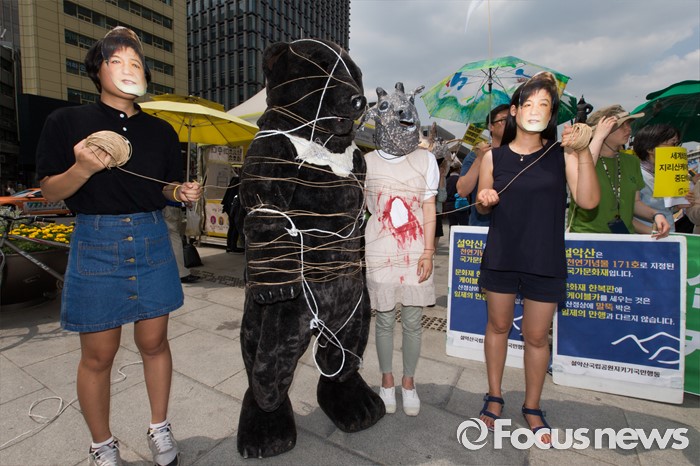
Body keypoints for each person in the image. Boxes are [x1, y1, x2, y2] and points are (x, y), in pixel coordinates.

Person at [35, 26, 202, 466]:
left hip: (151, 237)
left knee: (155, 342)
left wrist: (179, 192)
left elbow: (163, 187)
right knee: (98, 355)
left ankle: (159, 427)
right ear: (98, 70)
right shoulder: (65, 122)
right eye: (117, 61)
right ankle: (102, 444)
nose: (129, 69)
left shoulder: (162, 131)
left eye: (136, 62)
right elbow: (50, 191)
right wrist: (83, 167)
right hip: (96, 239)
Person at [475, 72, 600, 445]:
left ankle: (532, 405)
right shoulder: (493, 156)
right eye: (527, 103)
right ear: (514, 111)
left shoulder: (562, 154)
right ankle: (494, 395)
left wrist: (582, 151)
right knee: (497, 326)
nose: (534, 110)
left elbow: (588, 201)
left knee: (535, 336)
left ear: (551, 113)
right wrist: (484, 199)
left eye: (543, 104)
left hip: (545, 258)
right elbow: (481, 203)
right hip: (502, 254)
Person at [363, 83, 437, 417]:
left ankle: (409, 382)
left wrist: (429, 251)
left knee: (412, 320)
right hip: (380, 249)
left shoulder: (426, 160)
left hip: (416, 250)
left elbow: (429, 207)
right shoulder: (366, 162)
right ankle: (386, 380)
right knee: (383, 320)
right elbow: (365, 207)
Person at [567, 105, 671, 238]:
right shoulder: (578, 157)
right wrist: (598, 137)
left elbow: (635, 203)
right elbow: (585, 170)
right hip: (587, 239)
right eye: (622, 125)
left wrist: (656, 214)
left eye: (629, 125)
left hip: (623, 240)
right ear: (603, 129)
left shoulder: (631, 161)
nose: (629, 129)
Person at [632, 124, 693, 234]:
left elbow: (663, 209)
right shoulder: (636, 174)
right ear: (650, 148)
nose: (676, 149)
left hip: (667, 235)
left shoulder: (664, 174)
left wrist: (678, 205)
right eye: (672, 144)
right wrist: (654, 233)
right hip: (648, 239)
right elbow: (628, 213)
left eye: (677, 144)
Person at [456, 104, 509, 226]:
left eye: (513, 120)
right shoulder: (475, 156)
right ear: (491, 126)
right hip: (481, 227)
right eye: (504, 120)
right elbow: (462, 191)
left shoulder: (521, 155)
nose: (510, 124)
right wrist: (480, 159)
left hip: (511, 226)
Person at [163, 200, 198, 283]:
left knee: (173, 240)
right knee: (175, 241)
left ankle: (176, 271)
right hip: (171, 208)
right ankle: (181, 273)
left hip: (171, 208)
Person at [221, 170, 244, 253]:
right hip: (233, 206)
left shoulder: (234, 180)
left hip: (230, 206)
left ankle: (230, 246)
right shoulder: (239, 181)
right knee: (235, 226)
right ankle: (233, 247)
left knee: (232, 226)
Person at [445, 159, 470, 227]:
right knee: (464, 225)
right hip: (460, 205)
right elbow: (465, 192)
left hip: (449, 206)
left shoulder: (446, 180)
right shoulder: (460, 180)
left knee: (452, 226)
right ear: (459, 169)